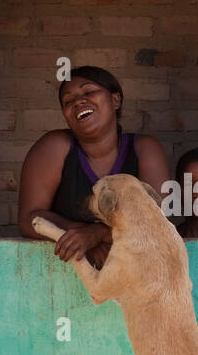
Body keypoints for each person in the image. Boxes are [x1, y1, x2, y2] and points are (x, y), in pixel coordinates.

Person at [18, 66, 169, 267]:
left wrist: (98, 234)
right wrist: (79, 234)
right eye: (68, 100)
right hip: (59, 279)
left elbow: (158, 222)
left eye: (89, 91)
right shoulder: (54, 147)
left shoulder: (144, 148)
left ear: (116, 100)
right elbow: (29, 219)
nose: (79, 101)